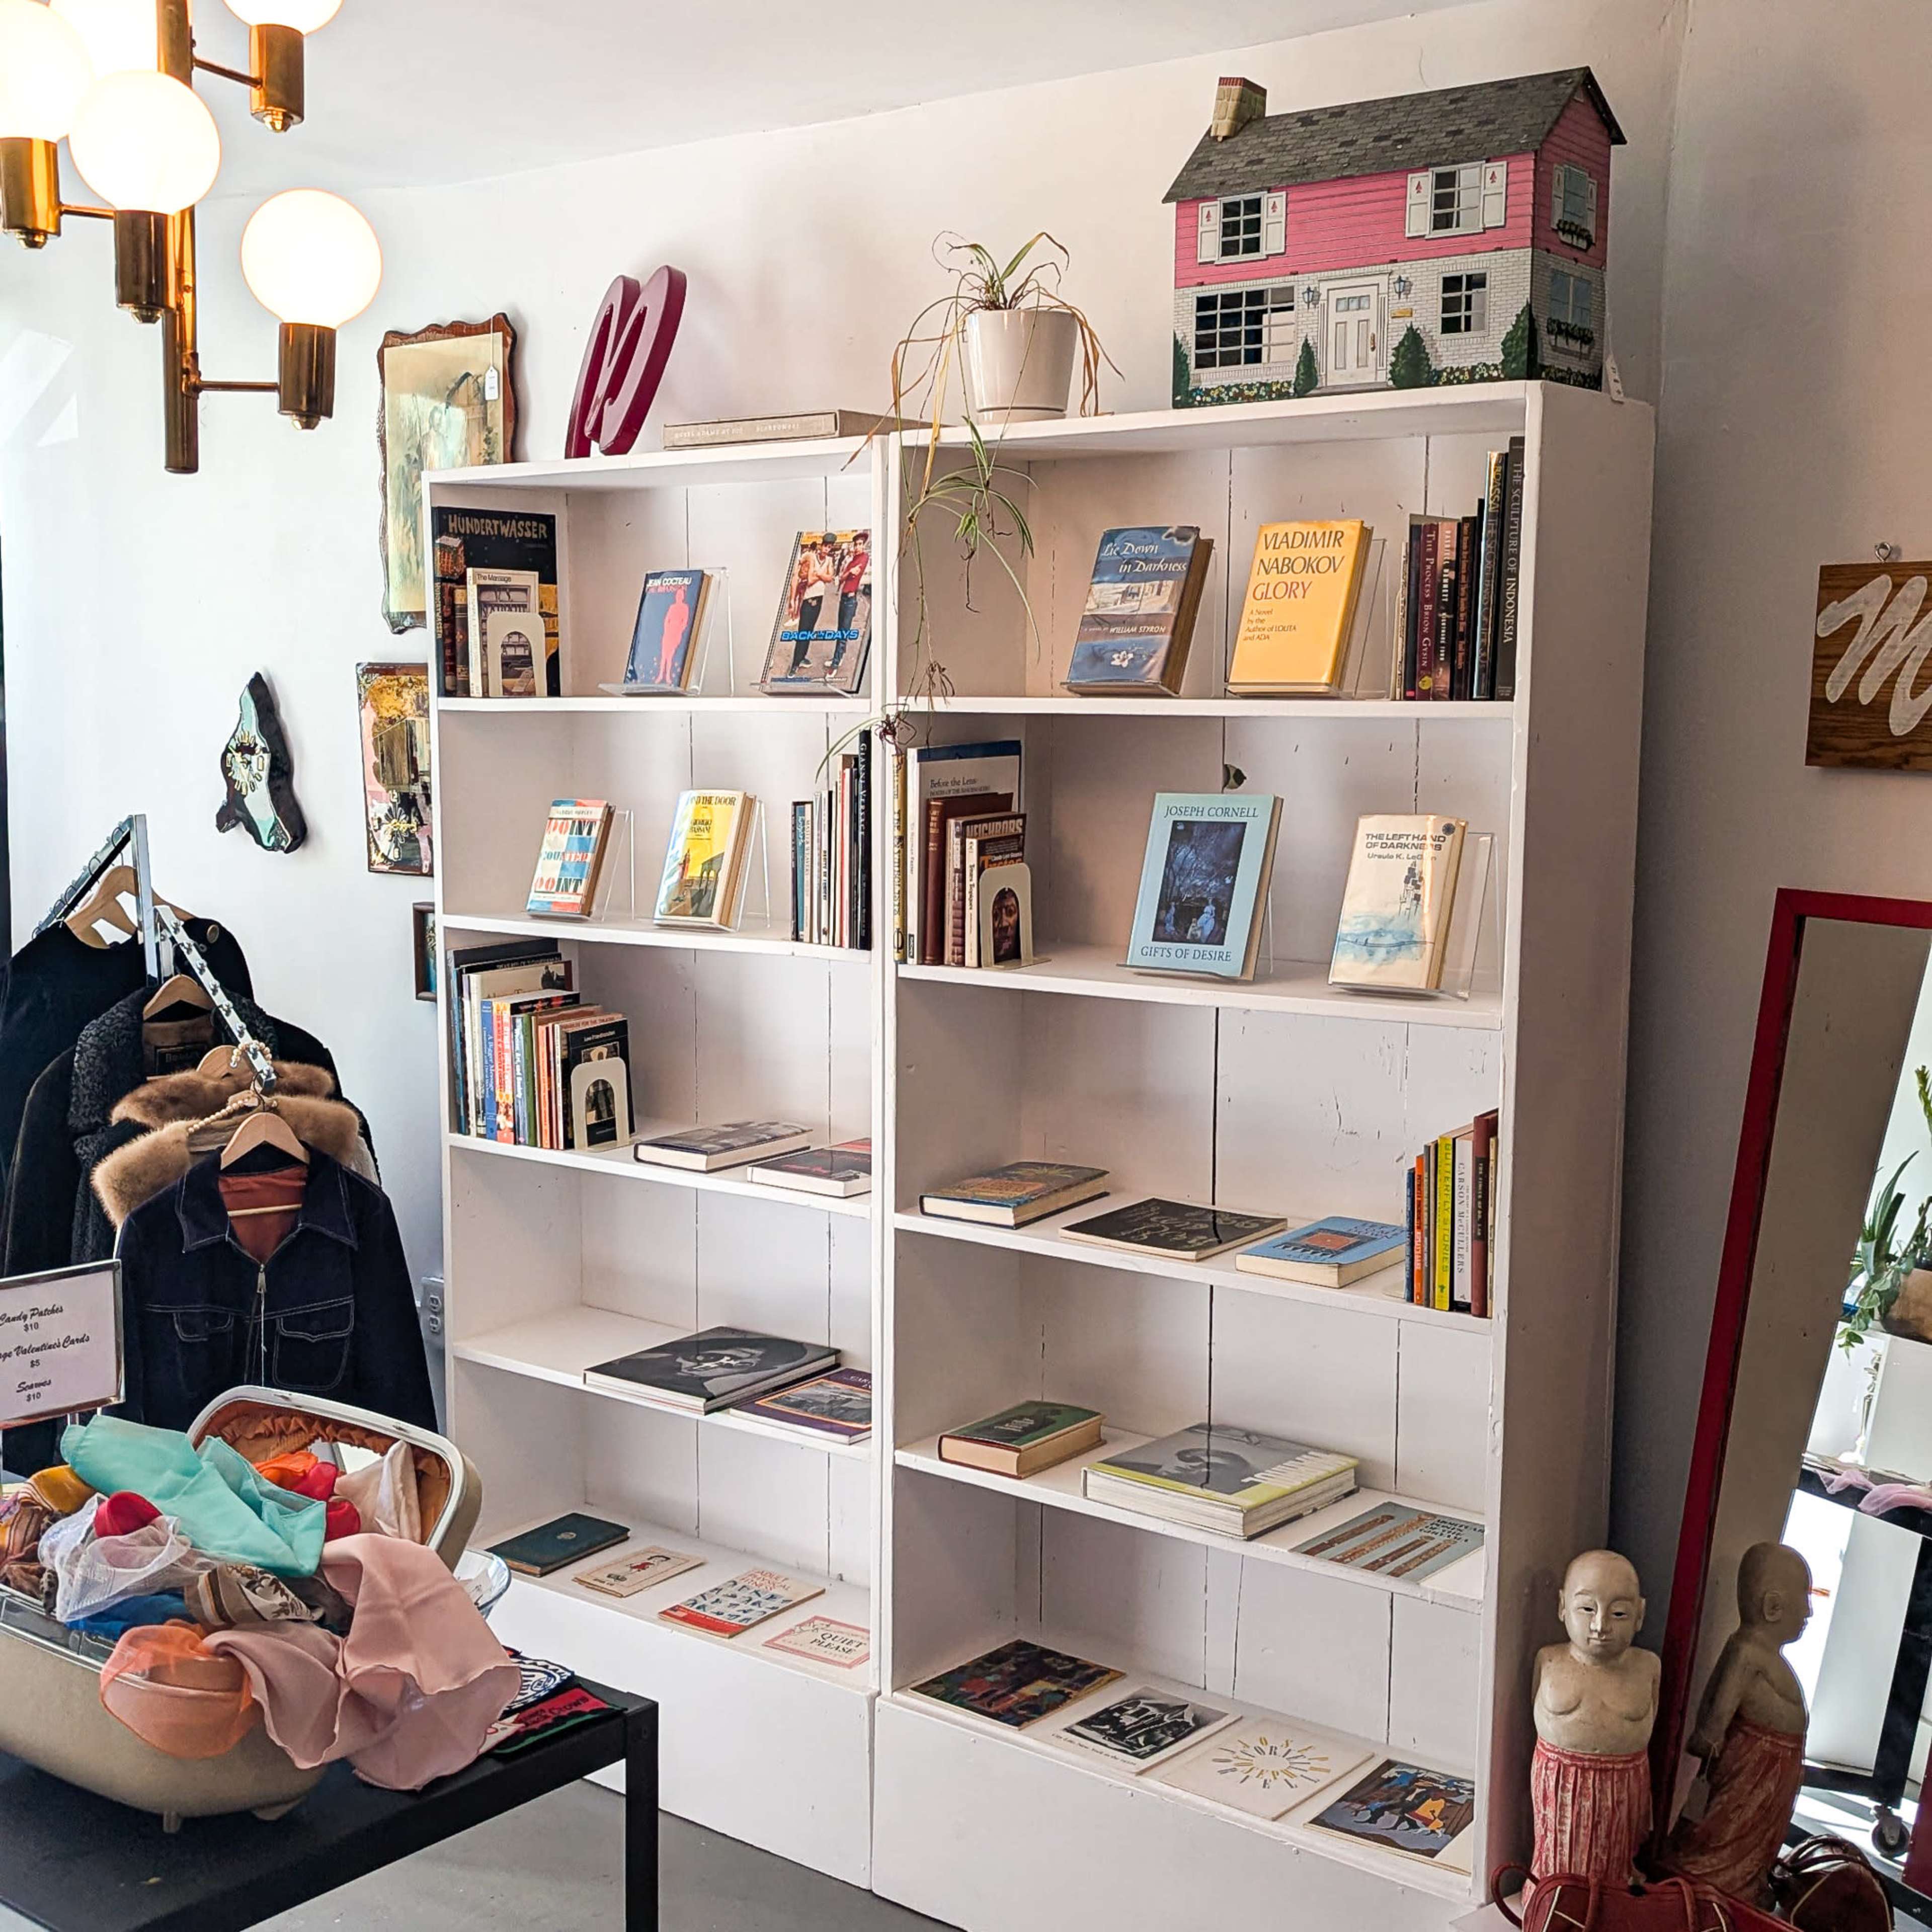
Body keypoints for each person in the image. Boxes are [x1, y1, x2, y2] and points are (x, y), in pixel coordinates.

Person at [1664, 1542, 1811, 1904]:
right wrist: (1710, 1739)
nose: (1809, 1611)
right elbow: (1719, 1709)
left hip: (1772, 1770)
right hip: (1752, 1765)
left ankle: (1746, 1880)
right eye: (1804, 1598)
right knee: (1727, 1830)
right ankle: (1718, 1882)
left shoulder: (1757, 1651)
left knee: (1757, 1834)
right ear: (1773, 1606)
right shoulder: (1748, 1652)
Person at [1530, 1549, 1659, 1882]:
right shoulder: (1549, 1660)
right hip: (1557, 1789)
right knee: (1555, 1862)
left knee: (1612, 1868)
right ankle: (1551, 1902)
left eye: (1618, 1613)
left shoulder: (1648, 1667)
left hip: (1621, 1792)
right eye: (1587, 1609)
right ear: (1563, 1606)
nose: (1600, 1625)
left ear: (1640, 1615)